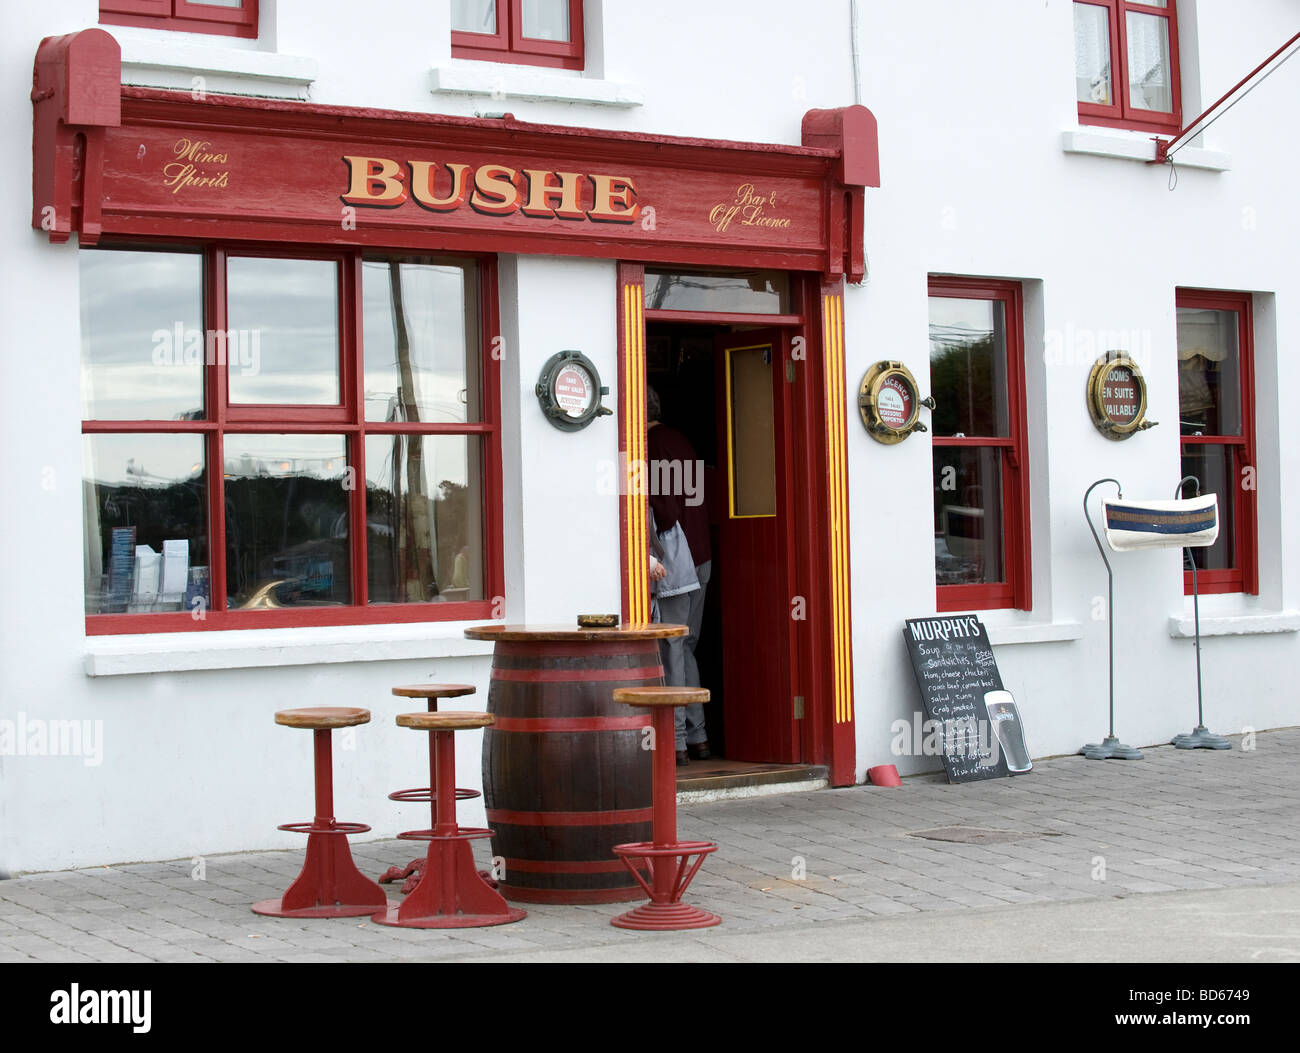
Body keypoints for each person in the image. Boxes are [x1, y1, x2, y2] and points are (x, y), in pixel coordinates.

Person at [646, 385, 712, 765]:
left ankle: (677, 743)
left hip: (674, 562)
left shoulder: (652, 446)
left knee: (670, 648)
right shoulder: (681, 440)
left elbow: (664, 512)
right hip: (701, 555)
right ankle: (699, 737)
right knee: (687, 646)